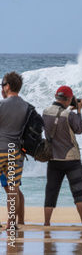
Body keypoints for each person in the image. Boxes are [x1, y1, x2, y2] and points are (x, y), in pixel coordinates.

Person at [43, 85, 82, 226]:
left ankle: (46, 222)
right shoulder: (70, 115)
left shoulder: (45, 112)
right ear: (69, 98)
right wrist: (79, 111)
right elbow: (79, 129)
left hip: (53, 157)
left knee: (51, 190)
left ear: (56, 96)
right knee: (78, 191)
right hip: (71, 158)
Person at [0, 72, 28, 229]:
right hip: (16, 152)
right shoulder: (26, 106)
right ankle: (11, 223)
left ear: (8, 86)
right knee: (13, 189)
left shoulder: (1, 105)